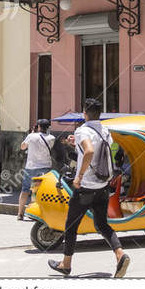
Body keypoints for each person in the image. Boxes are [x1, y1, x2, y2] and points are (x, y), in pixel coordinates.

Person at [48, 98, 130, 278]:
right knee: (101, 224)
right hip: (102, 186)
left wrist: (79, 176)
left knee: (71, 227)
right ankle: (120, 254)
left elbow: (90, 151)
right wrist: (75, 143)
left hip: (85, 187)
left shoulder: (82, 130)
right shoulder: (105, 130)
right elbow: (94, 151)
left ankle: (66, 264)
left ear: (84, 112)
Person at [18, 119, 55, 220]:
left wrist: (31, 134)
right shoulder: (52, 138)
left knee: (25, 190)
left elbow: (22, 147)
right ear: (48, 127)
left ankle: (20, 213)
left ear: (38, 127)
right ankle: (35, 214)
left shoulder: (31, 136)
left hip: (31, 167)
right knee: (38, 192)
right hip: (45, 167)